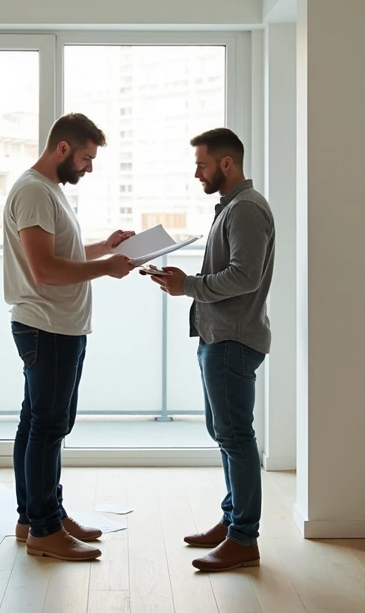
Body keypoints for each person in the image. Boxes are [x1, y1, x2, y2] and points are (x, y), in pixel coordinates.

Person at [3, 113, 135, 561]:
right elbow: (44, 270)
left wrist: (106, 248)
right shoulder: (35, 192)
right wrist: (106, 268)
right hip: (49, 326)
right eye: (86, 157)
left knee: (37, 423)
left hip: (55, 326)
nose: (89, 167)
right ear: (63, 148)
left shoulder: (47, 191)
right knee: (48, 427)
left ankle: (38, 518)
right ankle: (44, 529)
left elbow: (62, 253)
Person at [148, 127, 275, 571]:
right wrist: (184, 284)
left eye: (201, 164)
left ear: (226, 163)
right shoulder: (233, 208)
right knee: (226, 435)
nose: (196, 173)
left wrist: (188, 286)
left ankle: (243, 538)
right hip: (220, 338)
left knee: (236, 437)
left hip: (231, 341)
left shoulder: (245, 209)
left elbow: (245, 276)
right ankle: (232, 520)